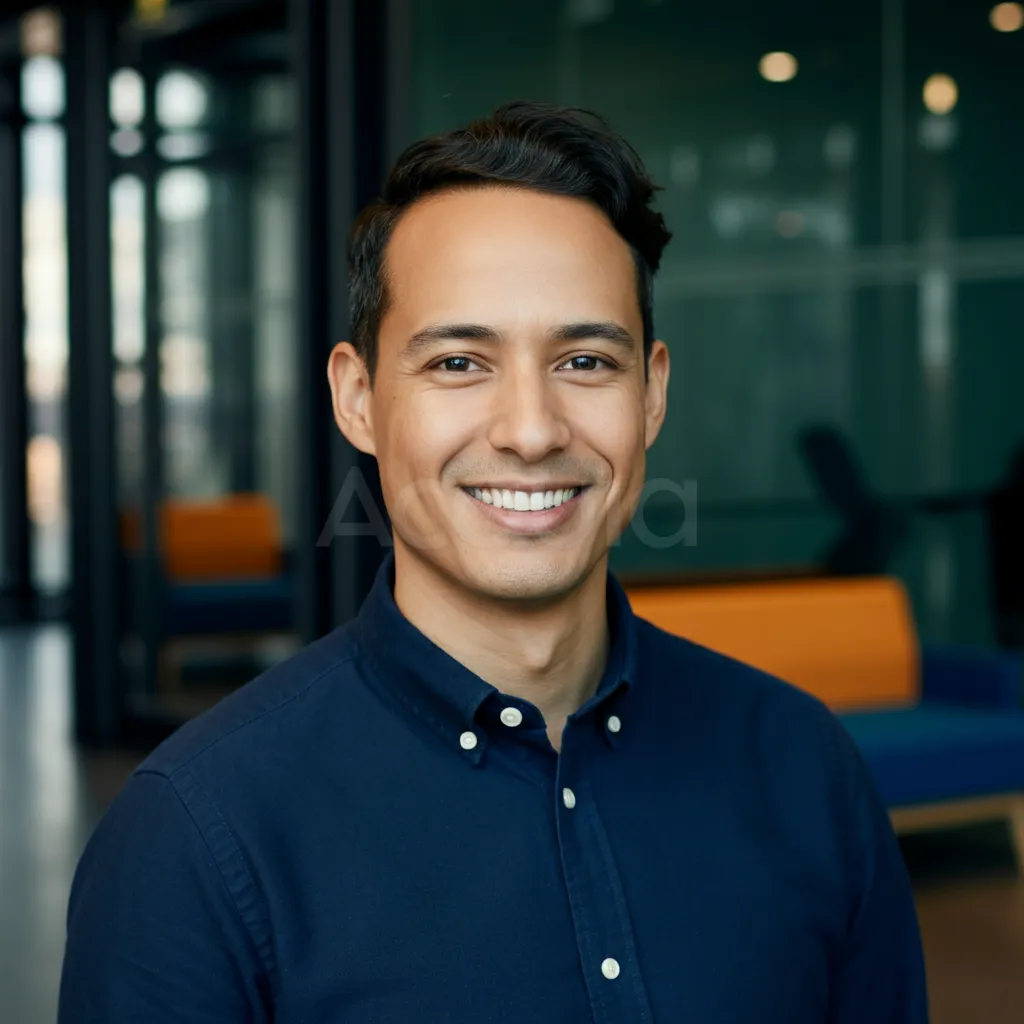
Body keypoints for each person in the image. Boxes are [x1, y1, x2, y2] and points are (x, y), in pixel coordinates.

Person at [58, 101, 928, 1023]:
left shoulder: (805, 769)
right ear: (358, 398)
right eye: (458, 363)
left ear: (652, 393)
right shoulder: (194, 838)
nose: (530, 431)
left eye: (585, 361)